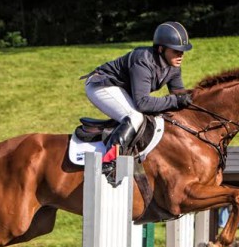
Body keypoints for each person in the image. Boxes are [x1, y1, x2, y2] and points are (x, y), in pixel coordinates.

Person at [82, 21, 194, 169]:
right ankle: (108, 163)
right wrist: (174, 100)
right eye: (176, 51)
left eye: (182, 51)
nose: (181, 55)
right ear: (161, 49)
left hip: (121, 89)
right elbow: (143, 103)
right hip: (101, 85)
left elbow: (180, 96)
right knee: (135, 117)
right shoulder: (143, 61)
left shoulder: (173, 68)